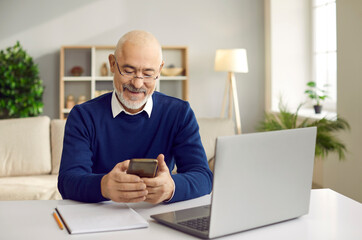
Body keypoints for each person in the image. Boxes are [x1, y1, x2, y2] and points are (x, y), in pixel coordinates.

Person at [58, 30, 213, 204]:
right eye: (128, 71)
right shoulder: (83, 116)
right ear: (112, 64)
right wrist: (104, 186)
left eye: (148, 73)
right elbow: (67, 181)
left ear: (160, 70)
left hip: (157, 217)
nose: (138, 83)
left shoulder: (179, 113)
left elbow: (203, 177)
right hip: (100, 215)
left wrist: (171, 188)